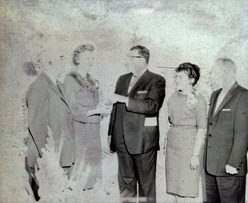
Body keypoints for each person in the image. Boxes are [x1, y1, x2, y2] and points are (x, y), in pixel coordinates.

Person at [108, 45, 166, 202]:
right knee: (126, 186)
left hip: (143, 142)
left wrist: (126, 100)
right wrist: (111, 134)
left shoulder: (156, 80)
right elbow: (116, 109)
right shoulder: (122, 79)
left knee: (146, 188)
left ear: (142, 59)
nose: (127, 60)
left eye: (131, 57)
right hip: (122, 142)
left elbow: (152, 106)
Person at [204, 58, 248, 203]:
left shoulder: (244, 95)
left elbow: (244, 133)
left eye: (213, 72)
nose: (211, 76)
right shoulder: (215, 94)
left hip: (229, 168)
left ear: (224, 73)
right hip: (211, 167)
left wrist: (233, 163)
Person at [26, 54, 75, 201]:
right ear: (49, 62)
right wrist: (48, 159)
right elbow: (37, 127)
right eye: (61, 58)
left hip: (60, 157)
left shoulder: (56, 85)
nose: (65, 62)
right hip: (49, 161)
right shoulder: (38, 86)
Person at [63, 44, 104, 190]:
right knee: (80, 173)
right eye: (87, 57)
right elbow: (70, 109)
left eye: (92, 57)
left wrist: (102, 110)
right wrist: (90, 112)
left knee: (93, 173)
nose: (91, 60)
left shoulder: (91, 81)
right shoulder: (70, 80)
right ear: (78, 59)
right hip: (79, 132)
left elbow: (96, 104)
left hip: (94, 130)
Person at [165, 63, 207, 203]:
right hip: (173, 145)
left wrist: (195, 155)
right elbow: (169, 121)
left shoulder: (199, 99)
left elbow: (201, 129)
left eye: (180, 77)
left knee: (187, 188)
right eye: (176, 76)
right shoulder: (172, 97)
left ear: (191, 80)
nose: (176, 79)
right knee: (174, 187)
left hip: (189, 146)